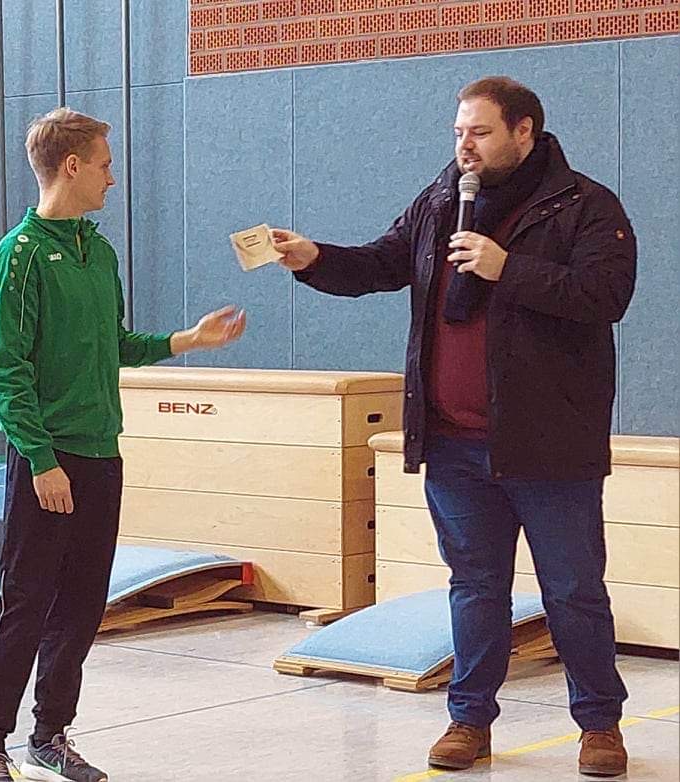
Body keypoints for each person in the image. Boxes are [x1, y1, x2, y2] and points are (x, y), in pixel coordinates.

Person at [270, 75, 634, 777]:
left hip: (549, 445)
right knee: (474, 589)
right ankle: (469, 719)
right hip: (454, 444)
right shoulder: (443, 198)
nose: (465, 145)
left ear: (524, 132)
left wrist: (508, 269)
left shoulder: (584, 205)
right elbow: (384, 262)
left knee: (573, 592)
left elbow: (605, 295)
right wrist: (315, 259)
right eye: (459, 132)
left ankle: (599, 726)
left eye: (481, 132)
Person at [0, 108, 247, 782]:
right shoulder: (20, 256)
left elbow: (116, 344)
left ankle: (50, 733)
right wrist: (40, 460)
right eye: (104, 165)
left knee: (84, 600)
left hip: (101, 454)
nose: (111, 179)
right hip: (47, 457)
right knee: (25, 599)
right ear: (71, 167)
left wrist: (187, 340)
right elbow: (6, 369)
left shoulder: (99, 253)